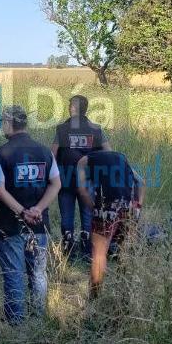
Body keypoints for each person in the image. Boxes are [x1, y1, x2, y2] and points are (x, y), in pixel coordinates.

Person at [0, 105, 61, 325]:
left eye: (2, 122)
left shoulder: (1, 153)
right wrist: (38, 209)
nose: (2, 126)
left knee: (13, 272)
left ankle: (15, 321)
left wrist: (22, 212)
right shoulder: (45, 151)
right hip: (39, 224)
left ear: (9, 123)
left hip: (10, 224)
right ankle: (38, 316)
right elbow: (56, 184)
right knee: (38, 272)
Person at [76, 148, 145, 298]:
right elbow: (141, 182)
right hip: (128, 206)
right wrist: (138, 207)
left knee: (99, 254)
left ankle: (94, 297)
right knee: (125, 251)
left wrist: (93, 207)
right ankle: (124, 293)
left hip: (105, 207)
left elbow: (81, 190)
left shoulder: (83, 161)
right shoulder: (121, 157)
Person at [51, 95, 111, 258]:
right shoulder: (96, 129)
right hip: (89, 181)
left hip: (66, 180)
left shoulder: (62, 129)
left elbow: (53, 154)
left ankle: (68, 252)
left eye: (69, 105)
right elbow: (109, 153)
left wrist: (52, 178)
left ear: (73, 108)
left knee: (67, 217)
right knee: (88, 216)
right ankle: (86, 252)